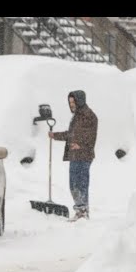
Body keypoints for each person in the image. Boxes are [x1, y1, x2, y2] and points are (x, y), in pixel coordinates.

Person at [49, 90, 98, 221]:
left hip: (84, 156)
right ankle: (80, 209)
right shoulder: (77, 116)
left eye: (73, 102)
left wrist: (81, 145)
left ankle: (83, 211)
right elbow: (71, 135)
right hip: (75, 156)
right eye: (70, 102)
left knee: (81, 184)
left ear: (80, 101)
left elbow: (91, 136)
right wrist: (56, 135)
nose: (71, 105)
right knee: (73, 184)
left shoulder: (89, 116)